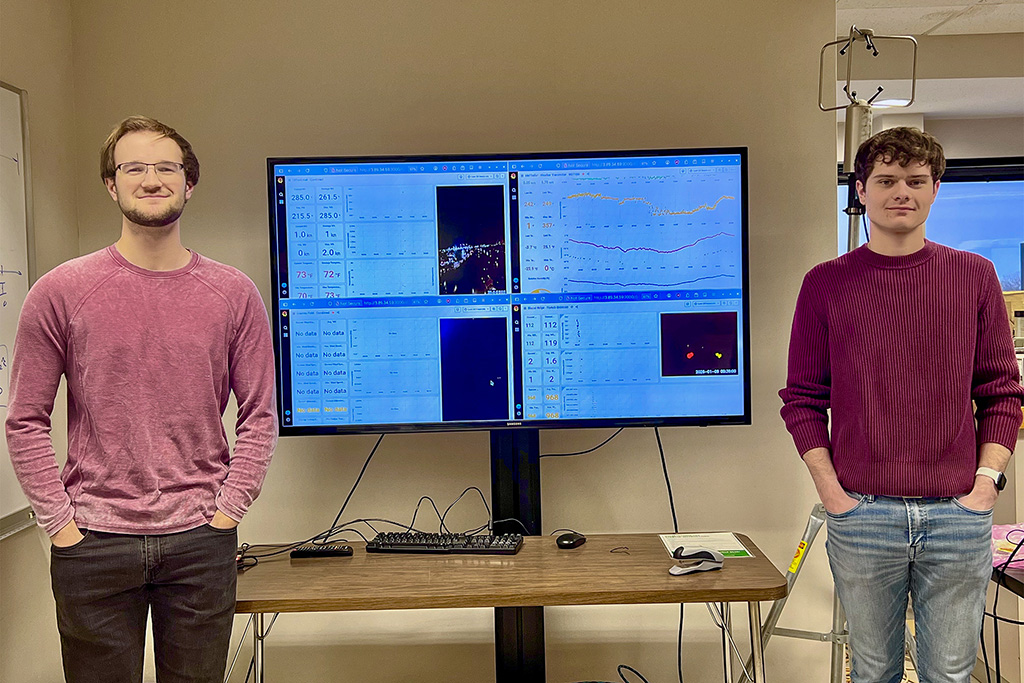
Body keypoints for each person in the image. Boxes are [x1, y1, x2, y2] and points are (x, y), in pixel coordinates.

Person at [5, 116, 278, 683]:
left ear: (189, 182)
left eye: (166, 167)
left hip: (201, 542)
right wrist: (60, 524)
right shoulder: (60, 291)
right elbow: (25, 419)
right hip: (93, 543)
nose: (151, 179)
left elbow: (260, 414)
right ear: (112, 183)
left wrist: (228, 512)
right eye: (134, 167)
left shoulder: (233, 294)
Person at [780, 126, 1023, 683]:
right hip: (862, 513)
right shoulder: (825, 283)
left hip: (957, 513)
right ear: (860, 190)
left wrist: (987, 484)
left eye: (916, 181)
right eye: (886, 180)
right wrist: (831, 493)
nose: (902, 192)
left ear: (935, 189)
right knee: (871, 671)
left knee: (953, 672)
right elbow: (803, 399)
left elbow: (1000, 392)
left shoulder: (974, 275)